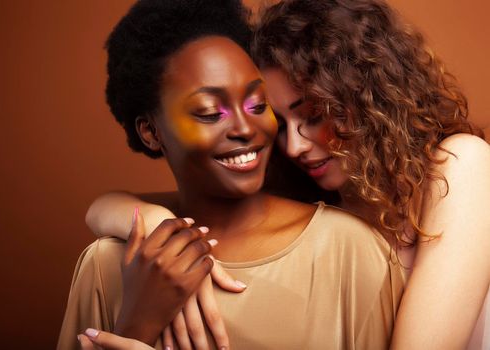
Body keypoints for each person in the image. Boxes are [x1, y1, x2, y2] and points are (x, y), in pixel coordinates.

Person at [86, 0, 490, 349]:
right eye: (279, 124)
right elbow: (103, 207)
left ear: (369, 97)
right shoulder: (312, 197)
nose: (294, 146)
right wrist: (156, 222)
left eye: (313, 116)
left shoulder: (460, 165)